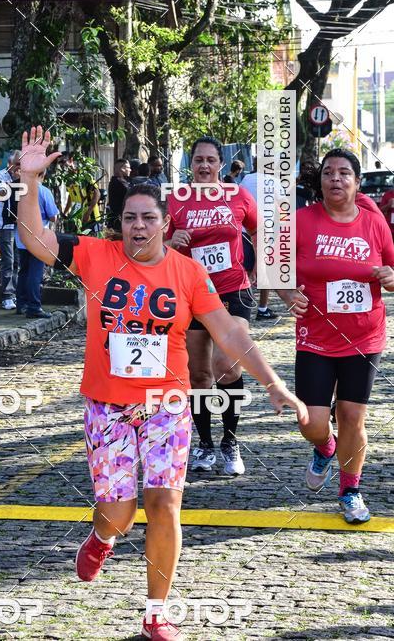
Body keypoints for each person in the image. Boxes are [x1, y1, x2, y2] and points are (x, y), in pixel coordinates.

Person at [17, 126, 306, 641]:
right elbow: (35, 240)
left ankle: (156, 611)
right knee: (119, 512)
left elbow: (230, 332)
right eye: (130, 217)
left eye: (149, 217)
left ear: (165, 222)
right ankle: (102, 538)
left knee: (164, 504)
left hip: (167, 406)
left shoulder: (188, 272)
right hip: (107, 406)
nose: (138, 225)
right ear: (120, 224)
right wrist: (30, 179)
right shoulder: (96, 255)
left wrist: (273, 382)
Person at [279, 149, 394, 524]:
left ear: (357, 182)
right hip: (315, 336)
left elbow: (391, 265)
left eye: (345, 173)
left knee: (351, 416)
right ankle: (325, 447)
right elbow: (273, 267)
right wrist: (286, 294)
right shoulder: (300, 221)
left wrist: (390, 277)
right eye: (329, 172)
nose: (336, 179)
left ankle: (350, 490)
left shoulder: (374, 223)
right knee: (311, 420)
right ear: (320, 181)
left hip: (364, 337)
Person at [165, 137, 258, 476]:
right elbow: (152, 246)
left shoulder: (236, 195)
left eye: (210, 160)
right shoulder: (177, 200)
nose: (204, 165)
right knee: (199, 374)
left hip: (233, 292)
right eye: (198, 160)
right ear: (191, 164)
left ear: (221, 163)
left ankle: (230, 442)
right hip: (191, 295)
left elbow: (260, 229)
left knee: (227, 366)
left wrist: (259, 267)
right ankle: (204, 443)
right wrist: (169, 241)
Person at [16, 171, 59, 318]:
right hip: (38, 238)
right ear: (43, 175)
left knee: (23, 271)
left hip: (21, 237)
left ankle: (21, 304)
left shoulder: (20, 189)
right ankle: (34, 306)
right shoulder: (44, 191)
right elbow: (53, 216)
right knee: (35, 272)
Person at [239, 157, 277, 320]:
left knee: (246, 271)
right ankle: (262, 308)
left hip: (245, 230)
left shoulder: (246, 179)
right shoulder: (274, 181)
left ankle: (244, 307)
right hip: (266, 231)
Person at [0, 150, 21, 310]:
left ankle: (14, 293)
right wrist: (16, 182)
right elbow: (1, 194)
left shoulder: (23, 178)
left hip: (19, 225)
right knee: (8, 261)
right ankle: (7, 296)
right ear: (10, 164)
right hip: (3, 225)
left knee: (17, 260)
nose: (20, 167)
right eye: (17, 164)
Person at [107, 158, 131, 230]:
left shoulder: (115, 181)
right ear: (122, 169)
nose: (130, 170)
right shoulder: (120, 183)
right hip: (119, 220)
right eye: (128, 168)